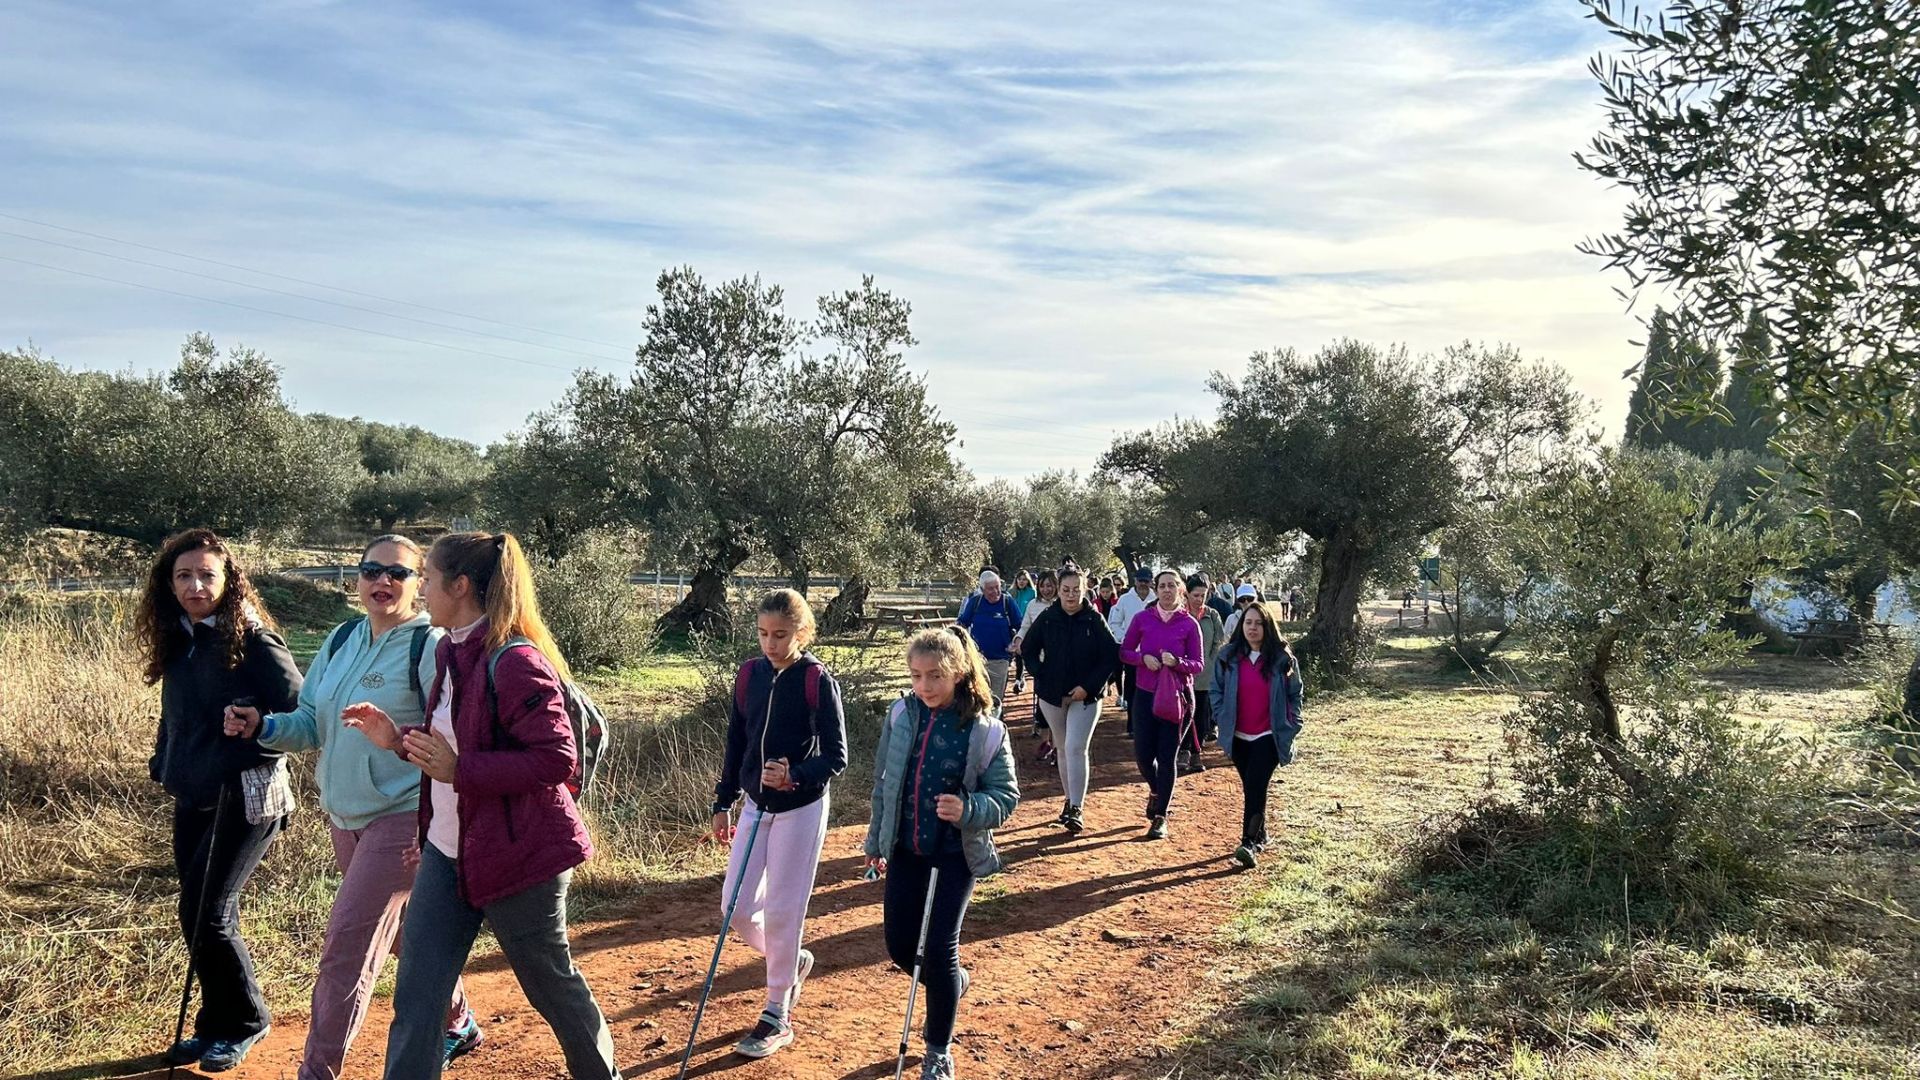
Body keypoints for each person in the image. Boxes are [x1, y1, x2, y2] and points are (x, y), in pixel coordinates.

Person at [345, 532, 620, 1080]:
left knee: (551, 988)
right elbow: (455, 741)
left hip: (521, 860)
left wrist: (459, 770)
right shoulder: (450, 648)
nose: (419, 589)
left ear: (461, 585)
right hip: (450, 856)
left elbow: (555, 760)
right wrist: (397, 739)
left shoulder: (515, 660)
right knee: (418, 997)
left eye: (426, 579)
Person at [225, 535, 478, 1079]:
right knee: (405, 935)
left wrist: (396, 740)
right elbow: (312, 723)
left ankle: (316, 1073)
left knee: (348, 946)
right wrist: (263, 727)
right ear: (356, 578)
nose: (381, 581)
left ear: (419, 584)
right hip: (345, 818)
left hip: (406, 816)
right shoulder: (341, 639)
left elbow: (454, 737)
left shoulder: (430, 647)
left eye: (398, 573)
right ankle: (458, 1020)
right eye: (370, 570)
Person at [139, 529, 302, 1073]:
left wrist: (256, 718)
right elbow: (177, 715)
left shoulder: (254, 639)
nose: (195, 585)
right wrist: (166, 762)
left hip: (248, 792)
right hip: (194, 789)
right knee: (196, 911)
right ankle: (215, 1025)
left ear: (229, 580)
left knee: (210, 912)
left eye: (207, 574)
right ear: (169, 582)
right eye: (183, 575)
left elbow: (300, 710)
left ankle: (246, 1023)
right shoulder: (180, 636)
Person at [864, 629, 1020, 1080]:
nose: (924, 686)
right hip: (905, 849)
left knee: (938, 949)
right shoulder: (900, 715)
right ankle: (953, 986)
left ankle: (937, 1050)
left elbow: (1005, 797)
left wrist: (968, 808)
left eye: (934, 676)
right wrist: (877, 843)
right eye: (916, 676)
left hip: (955, 854)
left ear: (958, 672)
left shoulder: (986, 729)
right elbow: (884, 785)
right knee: (898, 946)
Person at [708, 589, 849, 1059]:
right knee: (736, 908)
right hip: (753, 804)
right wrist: (722, 800)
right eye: (765, 634)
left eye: (782, 635)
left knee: (785, 912)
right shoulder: (749, 675)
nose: (771, 644)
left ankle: (776, 1012)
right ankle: (789, 962)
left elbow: (837, 755)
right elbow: (735, 741)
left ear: (802, 634)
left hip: (801, 808)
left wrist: (796, 775)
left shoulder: (816, 680)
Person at [1020, 565, 1117, 834]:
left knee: (1076, 747)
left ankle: (1077, 807)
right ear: (1058, 591)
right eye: (1066, 590)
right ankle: (1068, 799)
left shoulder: (1094, 619)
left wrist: (1088, 686)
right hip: (1052, 697)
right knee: (1062, 748)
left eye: (1076, 590)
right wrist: (1041, 676)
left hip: (1086, 697)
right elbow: (1027, 649)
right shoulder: (1049, 617)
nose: (1071, 595)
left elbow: (1110, 656)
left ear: (1084, 590)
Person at [1207, 601, 1304, 869]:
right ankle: (1261, 834)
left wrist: (1292, 723)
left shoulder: (1283, 659)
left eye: (1258, 623)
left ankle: (1248, 842)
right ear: (1241, 626)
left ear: (1267, 627)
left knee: (1255, 785)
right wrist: (1221, 716)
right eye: (1248, 623)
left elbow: (1296, 694)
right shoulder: (1228, 657)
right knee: (1252, 786)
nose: (1252, 628)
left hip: (1269, 735)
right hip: (1238, 736)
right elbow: (1216, 690)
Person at [1117, 570, 1204, 840]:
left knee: (1167, 757)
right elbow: (1124, 652)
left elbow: (1198, 664)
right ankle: (1156, 790)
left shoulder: (1190, 624)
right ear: (1156, 590)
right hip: (1144, 694)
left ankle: (1161, 816)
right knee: (1143, 756)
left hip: (1177, 698)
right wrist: (1143, 659)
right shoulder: (1142, 619)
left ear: (1181, 591)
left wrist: (1177, 663)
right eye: (1162, 586)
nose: (1167, 590)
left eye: (1172, 586)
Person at [954, 570, 1019, 714]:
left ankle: (995, 727)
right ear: (982, 590)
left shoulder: (1007, 602)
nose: (996, 591)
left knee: (995, 698)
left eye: (998, 587)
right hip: (977, 660)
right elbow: (963, 623)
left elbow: (1020, 625)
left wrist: (1015, 643)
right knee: (977, 696)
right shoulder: (975, 602)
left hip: (1000, 659)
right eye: (991, 588)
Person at [1181, 574, 1227, 773]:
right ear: (1186, 594)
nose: (1199, 599)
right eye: (1195, 595)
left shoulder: (1212, 615)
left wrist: (1210, 661)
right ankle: (1183, 751)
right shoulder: (1180, 615)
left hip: (1205, 675)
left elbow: (1219, 640)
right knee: (1183, 715)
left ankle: (1196, 752)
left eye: (1203, 595)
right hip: (1182, 674)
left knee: (1201, 716)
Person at [1010, 570, 1060, 747]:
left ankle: (1057, 745)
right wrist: (1018, 641)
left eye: (1050, 585)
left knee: (1058, 703)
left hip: (1061, 661)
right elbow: (1025, 627)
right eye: (1043, 586)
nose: (1046, 589)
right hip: (1040, 660)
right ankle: (1045, 742)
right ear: (1038, 587)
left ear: (1056, 586)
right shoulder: (1033, 604)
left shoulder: (1062, 604)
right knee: (1042, 701)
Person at [1107, 568, 1155, 733]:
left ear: (1151, 582)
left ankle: (1150, 725)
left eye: (1146, 581)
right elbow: (1114, 623)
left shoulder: (1157, 599)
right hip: (1133, 654)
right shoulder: (1124, 600)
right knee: (1133, 690)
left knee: (1153, 690)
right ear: (1135, 581)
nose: (1143, 584)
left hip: (1153, 655)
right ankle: (1132, 725)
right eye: (1140, 580)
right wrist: (1126, 639)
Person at [1008, 570, 1037, 695]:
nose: (1021, 581)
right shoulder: (1011, 593)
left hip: (1026, 626)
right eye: (1019, 579)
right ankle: (1020, 677)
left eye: (1024, 579)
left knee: (1020, 653)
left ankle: (1018, 679)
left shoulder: (1032, 593)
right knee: (1014, 652)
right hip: (1012, 626)